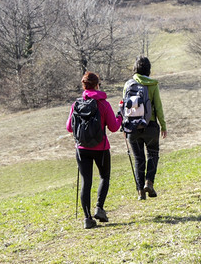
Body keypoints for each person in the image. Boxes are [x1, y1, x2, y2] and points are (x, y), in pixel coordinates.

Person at [66, 72, 123, 229]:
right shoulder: (103, 104)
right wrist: (120, 116)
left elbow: (69, 127)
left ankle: (87, 219)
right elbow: (113, 127)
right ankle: (99, 208)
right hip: (101, 148)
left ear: (84, 86)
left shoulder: (76, 104)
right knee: (104, 177)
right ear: (97, 85)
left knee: (86, 182)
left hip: (81, 149)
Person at [123, 56, 167, 201]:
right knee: (153, 154)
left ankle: (140, 191)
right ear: (148, 69)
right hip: (151, 126)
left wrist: (125, 126)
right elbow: (158, 107)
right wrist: (163, 126)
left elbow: (125, 107)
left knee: (138, 159)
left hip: (133, 128)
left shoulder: (128, 84)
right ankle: (149, 182)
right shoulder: (153, 84)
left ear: (135, 68)